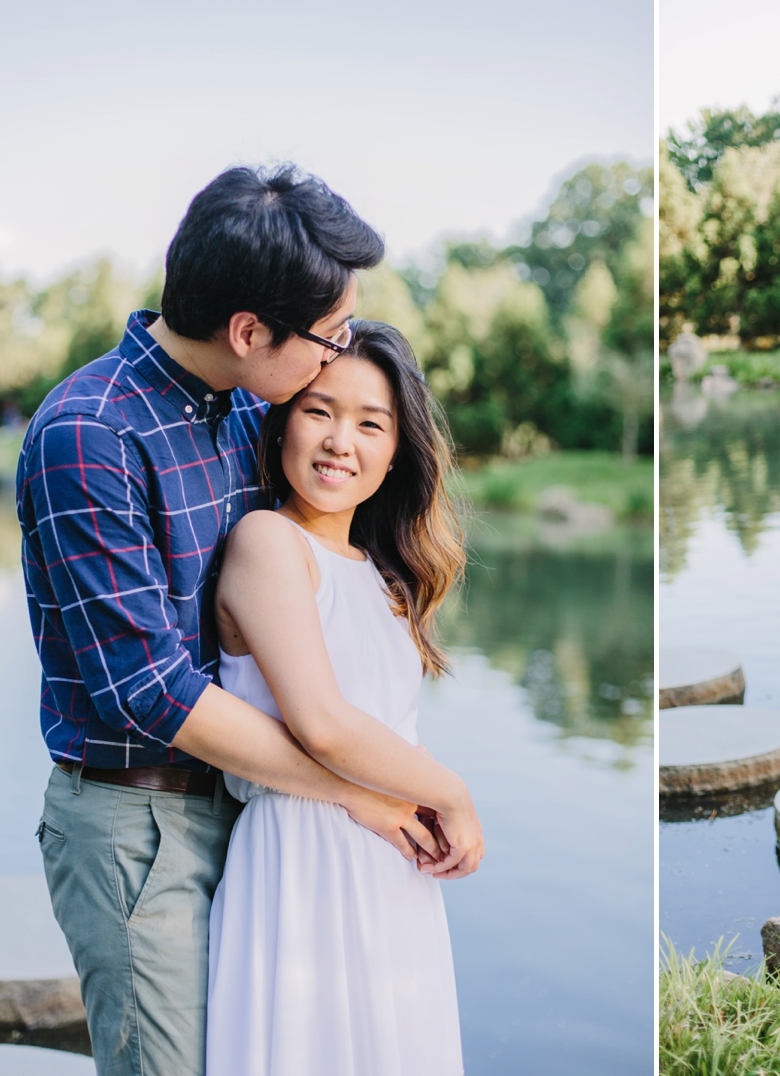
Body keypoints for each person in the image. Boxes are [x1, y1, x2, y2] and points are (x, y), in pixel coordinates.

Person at [19, 165, 437, 1075]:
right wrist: (354, 791)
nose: (335, 355)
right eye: (329, 340)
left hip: (258, 818)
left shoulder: (245, 409)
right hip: (142, 827)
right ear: (250, 331)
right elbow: (150, 693)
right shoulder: (88, 436)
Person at [206, 322, 480, 1075]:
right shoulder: (268, 542)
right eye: (318, 411)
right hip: (303, 861)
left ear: (397, 450)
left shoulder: (384, 574)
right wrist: (451, 794)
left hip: (392, 871)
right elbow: (322, 724)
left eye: (370, 422)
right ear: (283, 419)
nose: (339, 441)